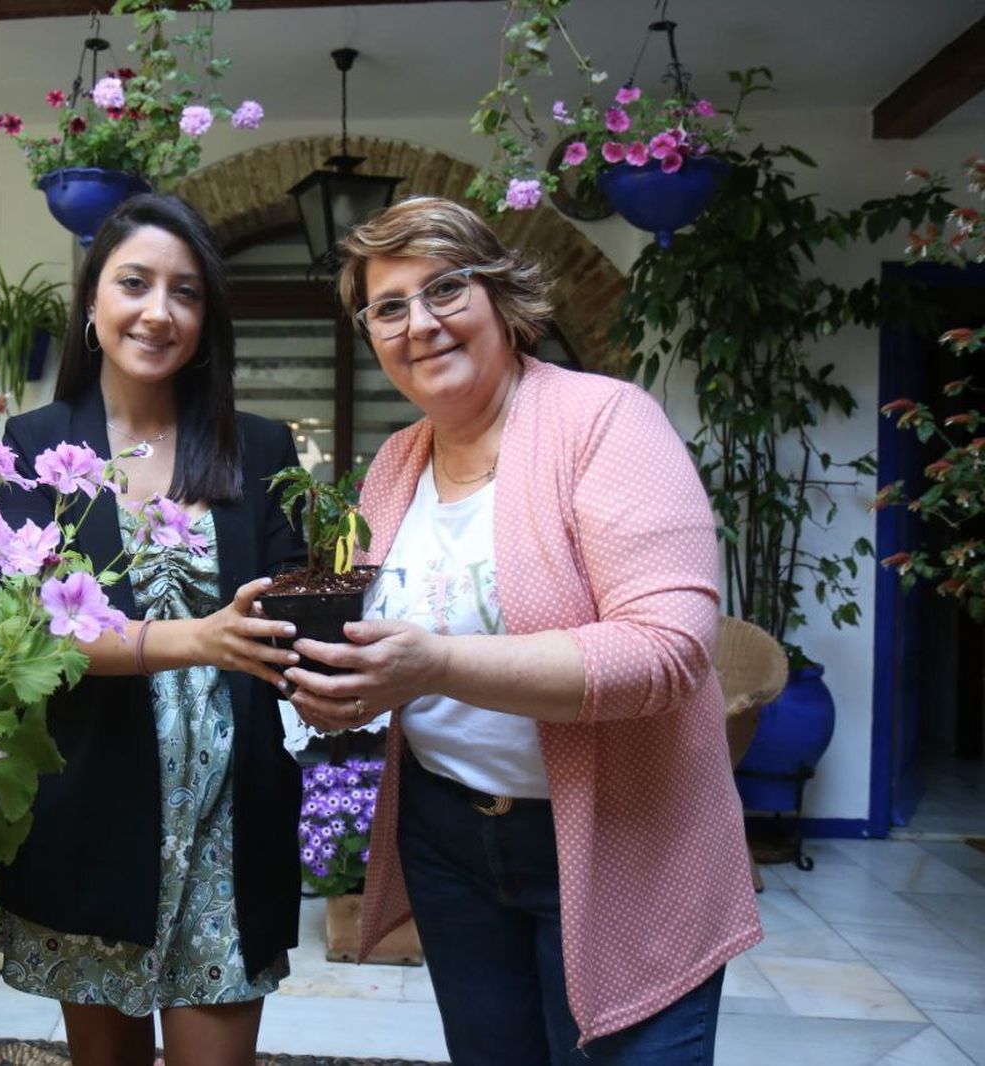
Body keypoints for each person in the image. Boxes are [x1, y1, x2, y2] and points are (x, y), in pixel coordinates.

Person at [284, 196, 761, 1065]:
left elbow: (668, 651)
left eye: (445, 290)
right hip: (450, 840)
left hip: (624, 839)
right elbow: (387, 641)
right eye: (387, 308)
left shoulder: (605, 423)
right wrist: (342, 690)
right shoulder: (398, 461)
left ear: (502, 299)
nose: (418, 324)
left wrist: (431, 665)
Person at [0, 193, 307, 1065]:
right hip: (92, 802)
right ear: (93, 303)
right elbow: (26, 637)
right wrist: (198, 639)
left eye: (187, 292)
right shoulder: (33, 445)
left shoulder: (260, 448)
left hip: (229, 816)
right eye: (135, 283)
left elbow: (293, 616)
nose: (159, 312)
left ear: (208, 321)